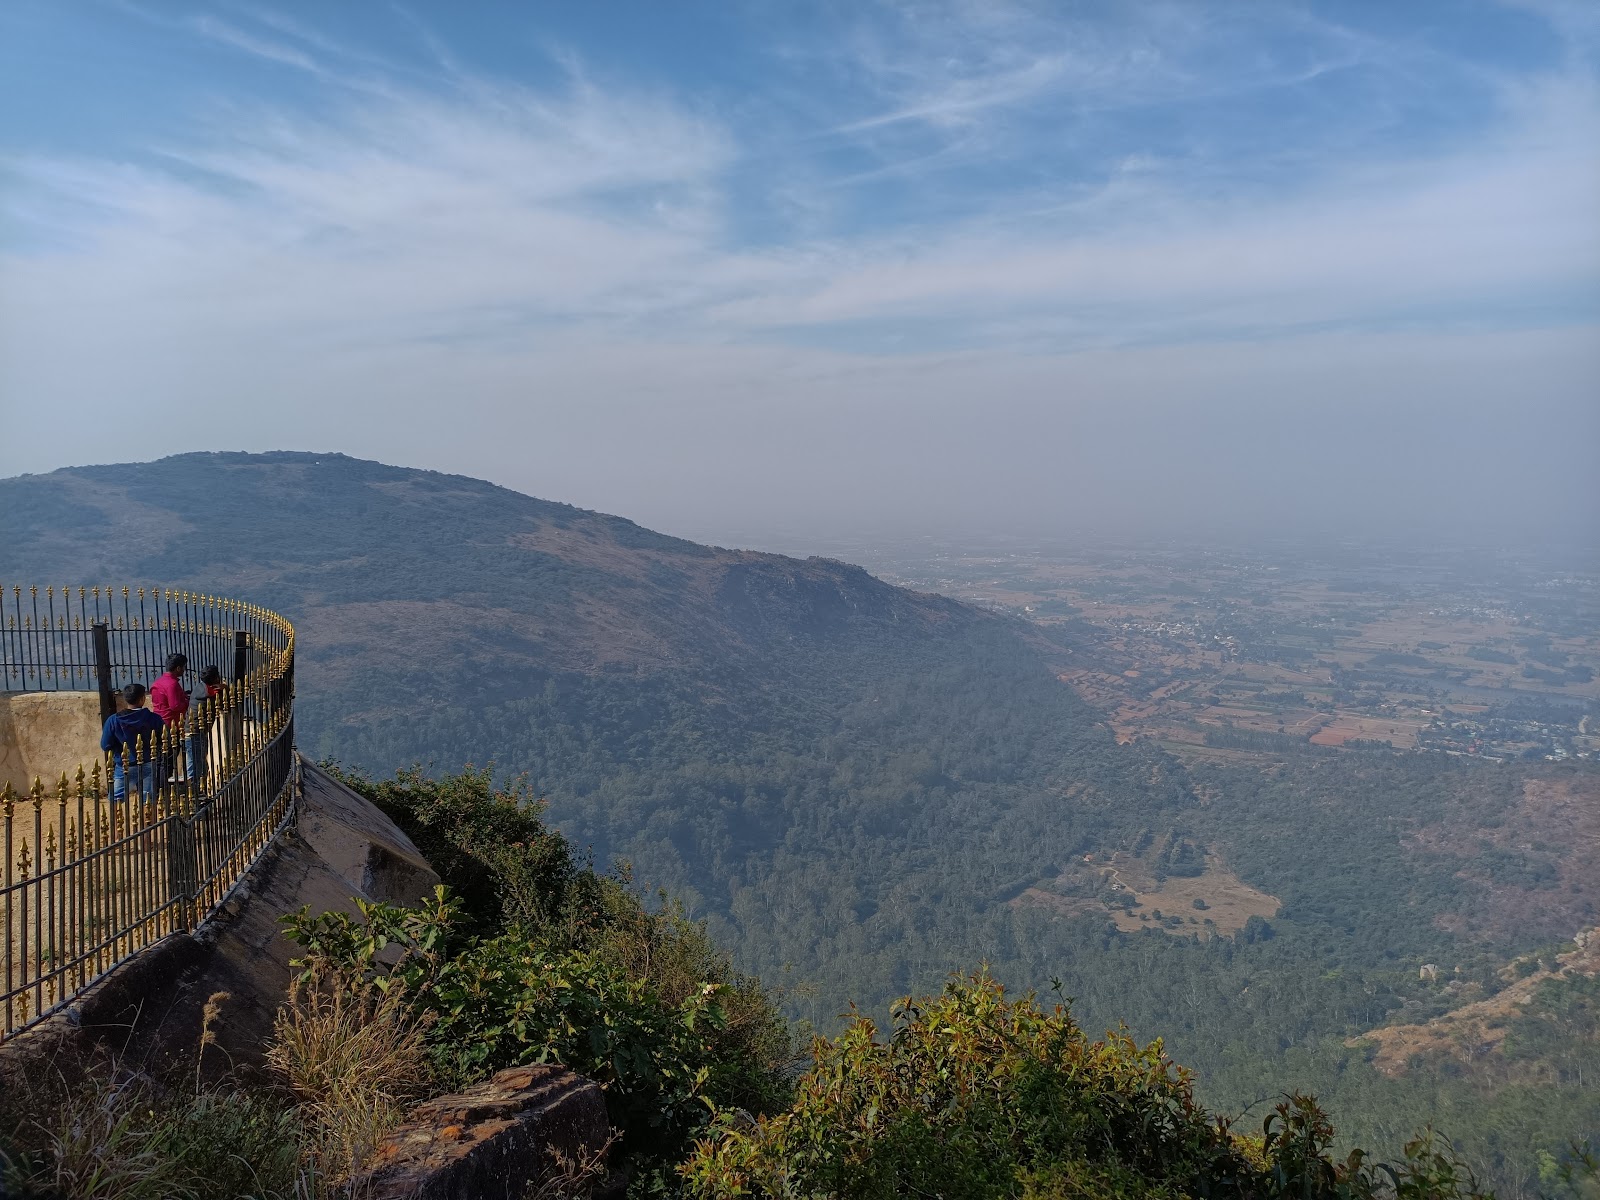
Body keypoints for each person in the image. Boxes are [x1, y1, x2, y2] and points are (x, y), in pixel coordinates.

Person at [101, 683, 165, 802]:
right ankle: (149, 820)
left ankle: (116, 820)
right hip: (147, 761)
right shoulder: (154, 719)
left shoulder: (113, 720)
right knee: (148, 798)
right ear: (142, 699)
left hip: (125, 764)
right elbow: (163, 740)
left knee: (116, 799)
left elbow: (105, 745)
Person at [186, 665, 224, 785]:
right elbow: (225, 700)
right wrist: (225, 687)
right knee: (197, 762)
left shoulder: (200, 687)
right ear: (215, 678)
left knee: (195, 760)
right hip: (196, 731)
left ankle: (195, 787)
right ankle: (195, 789)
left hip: (192, 729)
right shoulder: (212, 692)